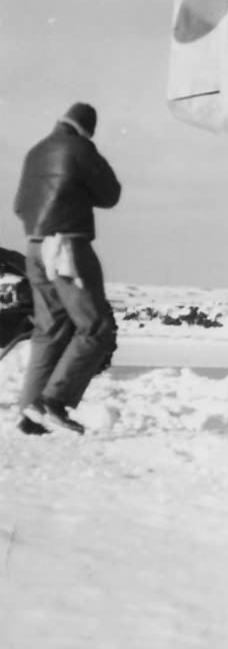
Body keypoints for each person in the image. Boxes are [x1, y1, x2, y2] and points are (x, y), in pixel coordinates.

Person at [12, 102, 121, 435]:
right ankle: (53, 403)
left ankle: (31, 414)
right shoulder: (80, 148)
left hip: (34, 247)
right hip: (66, 246)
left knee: (50, 328)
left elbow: (19, 206)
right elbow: (110, 194)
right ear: (87, 128)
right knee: (96, 327)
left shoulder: (35, 152)